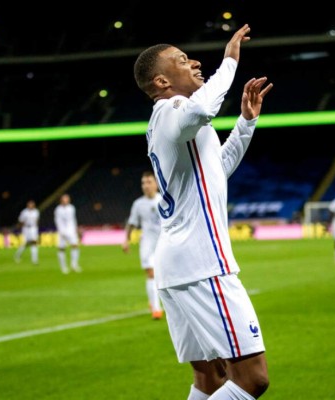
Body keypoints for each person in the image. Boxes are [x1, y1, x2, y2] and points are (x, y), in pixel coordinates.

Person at [133, 24, 273, 400]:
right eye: (182, 60)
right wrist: (229, 60)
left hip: (178, 265)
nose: (195, 62)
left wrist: (246, 123)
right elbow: (202, 105)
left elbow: (217, 171)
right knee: (251, 378)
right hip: (202, 264)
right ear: (162, 81)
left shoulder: (177, 124)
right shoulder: (170, 111)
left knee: (210, 378)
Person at [122, 170, 164, 320]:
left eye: (149, 182)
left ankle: (154, 300)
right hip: (147, 242)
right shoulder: (138, 204)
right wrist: (126, 240)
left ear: (156, 184)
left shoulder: (164, 200)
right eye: (143, 183)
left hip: (164, 243)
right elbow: (132, 223)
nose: (146, 186)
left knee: (163, 275)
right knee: (151, 273)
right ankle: (156, 309)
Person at [54, 193, 81, 274]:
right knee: (61, 248)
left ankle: (74, 265)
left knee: (75, 246)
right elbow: (57, 221)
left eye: (67, 199)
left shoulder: (72, 208)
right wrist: (61, 231)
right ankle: (63, 267)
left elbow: (73, 219)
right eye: (64, 199)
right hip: (62, 231)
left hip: (71, 230)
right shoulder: (58, 209)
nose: (66, 200)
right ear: (61, 200)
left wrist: (76, 229)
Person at [14, 199, 40, 265]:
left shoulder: (36, 212)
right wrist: (18, 229)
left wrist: (37, 229)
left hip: (33, 228)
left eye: (32, 204)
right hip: (26, 229)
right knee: (25, 244)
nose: (31, 205)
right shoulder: (24, 212)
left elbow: (37, 221)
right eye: (30, 204)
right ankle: (17, 254)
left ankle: (34, 260)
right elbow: (21, 221)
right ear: (27, 205)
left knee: (34, 243)